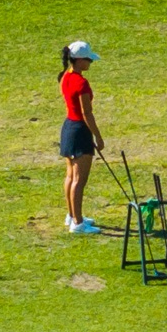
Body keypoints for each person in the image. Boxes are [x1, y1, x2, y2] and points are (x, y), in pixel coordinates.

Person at [57, 40, 105, 233]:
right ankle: (78, 223)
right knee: (79, 179)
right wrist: (98, 137)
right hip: (80, 130)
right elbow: (87, 113)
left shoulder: (65, 77)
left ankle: (72, 216)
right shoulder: (82, 83)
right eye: (88, 60)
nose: (90, 64)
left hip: (69, 128)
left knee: (70, 176)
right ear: (78, 60)